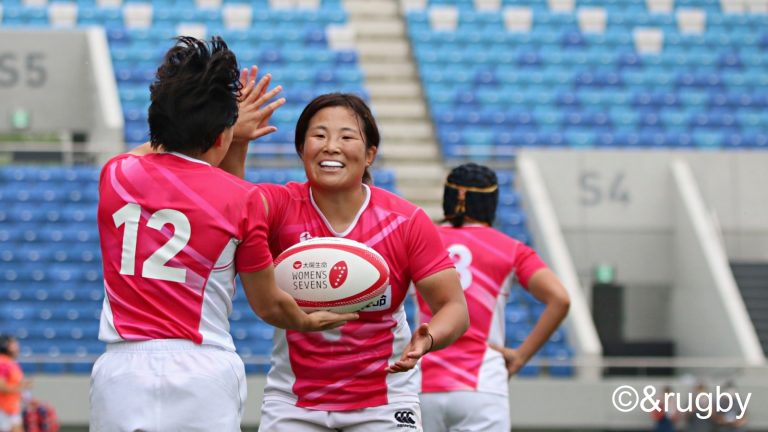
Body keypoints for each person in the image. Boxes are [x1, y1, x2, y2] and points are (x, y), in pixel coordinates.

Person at [90, 36, 356, 431]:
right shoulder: (243, 199)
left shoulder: (116, 174)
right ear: (220, 137)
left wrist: (226, 126)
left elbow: (162, 152)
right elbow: (267, 305)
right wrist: (306, 321)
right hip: (204, 369)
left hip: (122, 373)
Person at [223, 92, 469, 431]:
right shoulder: (280, 205)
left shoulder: (406, 221)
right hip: (295, 400)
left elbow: (454, 307)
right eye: (319, 135)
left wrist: (427, 339)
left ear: (370, 155)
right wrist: (237, 140)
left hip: (384, 399)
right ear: (301, 149)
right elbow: (231, 208)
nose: (331, 146)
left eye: (346, 136)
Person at [415, 163, 571, 432]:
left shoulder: (421, 240)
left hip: (422, 382)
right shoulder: (511, 248)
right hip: (482, 384)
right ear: (491, 202)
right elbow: (560, 299)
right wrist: (520, 356)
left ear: (449, 198)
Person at [0, 335, 29, 432]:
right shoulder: (2, 362)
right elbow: (1, 386)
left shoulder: (11, 362)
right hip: (3, 409)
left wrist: (29, 400)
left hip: (12, 408)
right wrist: (21, 387)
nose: (17, 347)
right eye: (13, 344)